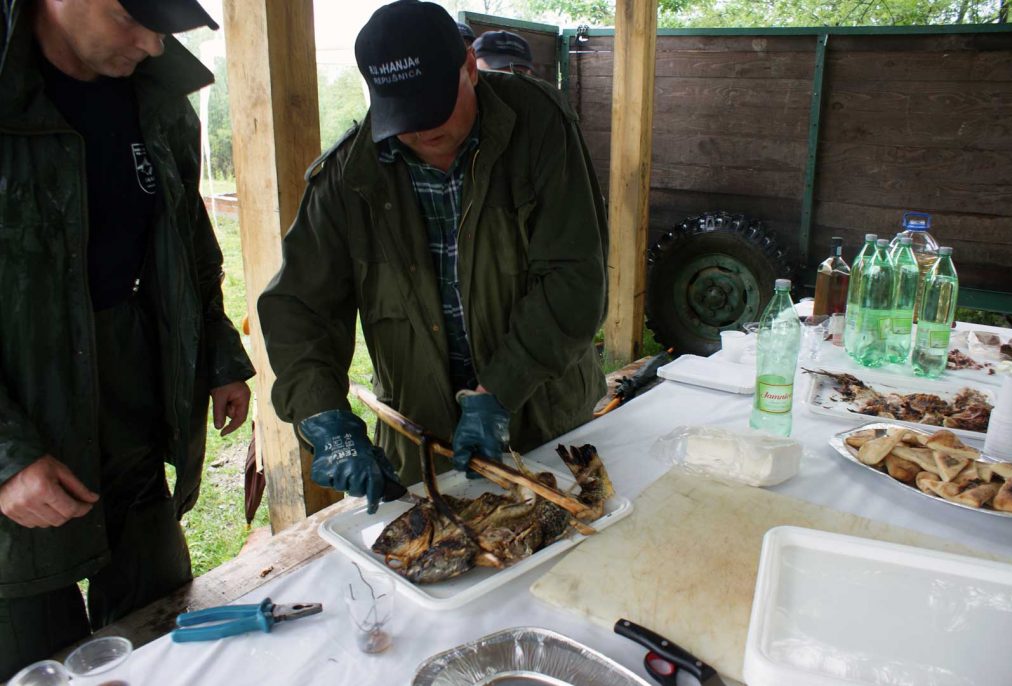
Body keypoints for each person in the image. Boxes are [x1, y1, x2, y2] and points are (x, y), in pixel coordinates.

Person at [259, 0, 608, 515]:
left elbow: (574, 279)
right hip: (422, 442)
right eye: (405, 115)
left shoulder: (539, 123)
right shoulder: (347, 177)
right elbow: (299, 308)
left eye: (435, 106)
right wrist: (322, 417)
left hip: (547, 420)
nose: (423, 131)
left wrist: (500, 390)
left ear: (469, 66)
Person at [0, 0, 254, 677]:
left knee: (162, 622)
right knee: (32, 656)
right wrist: (5, 457)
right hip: (17, 413)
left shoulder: (158, 98)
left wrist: (219, 354)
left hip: (128, 403)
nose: (153, 43)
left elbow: (188, 241)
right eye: (130, 15)